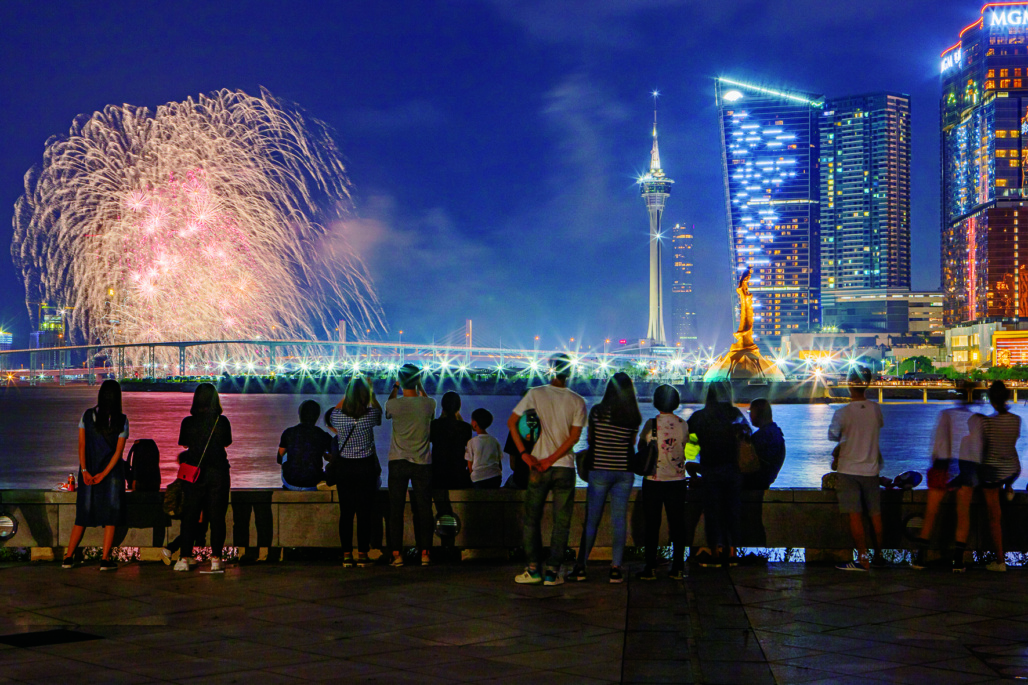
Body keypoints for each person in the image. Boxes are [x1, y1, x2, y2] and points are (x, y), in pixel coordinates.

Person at [508, 353, 586, 586]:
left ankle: (533, 570)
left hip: (537, 467)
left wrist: (525, 455)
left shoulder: (535, 394)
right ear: (570, 373)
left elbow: (512, 422)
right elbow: (574, 438)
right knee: (561, 522)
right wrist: (553, 458)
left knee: (531, 518)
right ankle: (552, 572)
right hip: (564, 468)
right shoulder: (578, 401)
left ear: (550, 371)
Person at [567, 373, 640, 584]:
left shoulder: (597, 411)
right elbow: (631, 443)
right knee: (619, 521)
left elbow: (591, 439)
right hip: (624, 471)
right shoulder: (633, 415)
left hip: (599, 469)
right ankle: (616, 568)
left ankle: (581, 567)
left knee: (592, 520)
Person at [911, 379, 982, 573]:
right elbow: (978, 449)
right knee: (963, 514)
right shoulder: (977, 419)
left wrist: (936, 464)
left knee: (931, 512)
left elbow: (937, 444)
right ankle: (958, 561)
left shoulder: (945, 414)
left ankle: (921, 557)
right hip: (966, 466)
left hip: (943, 465)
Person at [62, 380, 129, 571]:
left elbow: (82, 445)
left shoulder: (87, 415)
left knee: (82, 514)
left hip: (88, 471)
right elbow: (118, 453)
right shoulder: (122, 420)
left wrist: (85, 471)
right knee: (111, 517)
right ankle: (105, 559)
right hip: (112, 474)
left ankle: (68, 557)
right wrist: (104, 474)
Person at [828, 367, 885, 571]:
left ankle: (862, 559)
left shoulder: (842, 413)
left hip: (848, 470)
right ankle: (879, 555)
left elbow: (833, 436)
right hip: (871, 469)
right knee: (875, 514)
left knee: (855, 515)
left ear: (849, 384)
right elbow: (877, 427)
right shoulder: (875, 409)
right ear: (867, 384)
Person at [174, 383, 233, 574]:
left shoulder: (188, 422)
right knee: (217, 517)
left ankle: (184, 558)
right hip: (218, 472)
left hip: (194, 473)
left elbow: (184, 443)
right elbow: (227, 442)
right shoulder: (222, 422)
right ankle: (216, 559)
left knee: (189, 516)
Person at [688, 381, 748, 568]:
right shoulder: (736, 415)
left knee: (712, 512)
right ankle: (732, 554)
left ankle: (715, 552)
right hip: (732, 470)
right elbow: (747, 436)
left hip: (710, 469)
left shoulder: (700, 417)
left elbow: (687, 442)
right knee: (732, 512)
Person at [633, 385, 688, 581]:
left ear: (656, 402)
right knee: (677, 524)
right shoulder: (683, 424)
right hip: (677, 480)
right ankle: (678, 567)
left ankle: (650, 567)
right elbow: (683, 445)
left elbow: (641, 447)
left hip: (653, 480)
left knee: (652, 524)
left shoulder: (651, 424)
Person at [385, 363, 436, 567]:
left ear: (400, 380)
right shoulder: (429, 403)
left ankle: (397, 554)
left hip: (397, 461)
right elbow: (427, 405)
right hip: (422, 462)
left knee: (395, 509)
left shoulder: (394, 405)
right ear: (418, 380)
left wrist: (395, 387)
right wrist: (421, 387)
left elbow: (388, 409)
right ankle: (425, 553)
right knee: (424, 509)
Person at [330, 375, 383, 568]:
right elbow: (378, 412)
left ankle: (346, 554)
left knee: (346, 513)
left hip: (345, 468)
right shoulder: (370, 417)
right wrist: (370, 393)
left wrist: (349, 391)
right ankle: (362, 554)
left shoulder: (338, 417)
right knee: (364, 513)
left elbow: (335, 409)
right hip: (365, 468)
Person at [979, 380, 1022, 572]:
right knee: (1005, 470)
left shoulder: (988, 422)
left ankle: (999, 560)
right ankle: (1009, 487)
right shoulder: (1016, 420)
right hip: (1013, 469)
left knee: (993, 515)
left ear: (991, 400)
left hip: (993, 472)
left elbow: (985, 448)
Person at [278, 400, 332, 491]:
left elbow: (279, 459)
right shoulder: (323, 435)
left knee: (284, 453)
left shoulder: (288, 433)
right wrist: (323, 454)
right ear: (317, 416)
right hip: (313, 483)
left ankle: (293, 476)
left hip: (290, 482)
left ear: (300, 414)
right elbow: (335, 457)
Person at [430, 392, 473, 490]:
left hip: (438, 469)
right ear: (459, 406)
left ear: (443, 406)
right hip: (458, 470)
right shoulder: (465, 427)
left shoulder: (434, 425)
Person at [743, 399, 785, 491]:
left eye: (750, 411)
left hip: (754, 484)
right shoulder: (776, 432)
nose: (749, 415)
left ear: (758, 413)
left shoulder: (763, 436)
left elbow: (750, 462)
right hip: (764, 482)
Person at [466, 408, 503, 489]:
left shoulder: (471, 442)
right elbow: (500, 465)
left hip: (478, 480)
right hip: (495, 479)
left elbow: (470, 467)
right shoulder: (494, 441)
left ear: (474, 423)